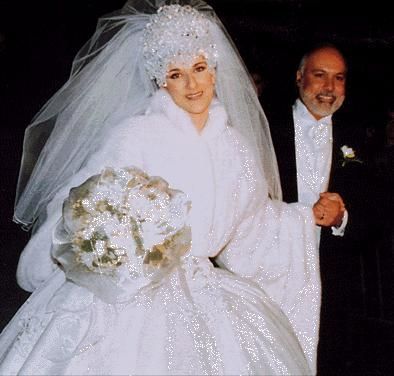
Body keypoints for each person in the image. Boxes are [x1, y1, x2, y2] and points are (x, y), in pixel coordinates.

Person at [0, 2, 338, 374]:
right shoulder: (136, 135)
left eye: (198, 69)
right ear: (161, 80)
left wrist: (302, 218)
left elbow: (252, 227)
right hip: (128, 297)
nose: (192, 85)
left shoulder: (235, 147)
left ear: (213, 71)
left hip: (207, 293)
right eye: (177, 74)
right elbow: (84, 204)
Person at [266, 43, 376, 373]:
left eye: (338, 78)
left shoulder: (359, 136)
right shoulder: (267, 128)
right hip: (273, 273)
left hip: (333, 285)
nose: (329, 88)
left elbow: (377, 214)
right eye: (320, 75)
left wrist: (342, 219)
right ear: (300, 77)